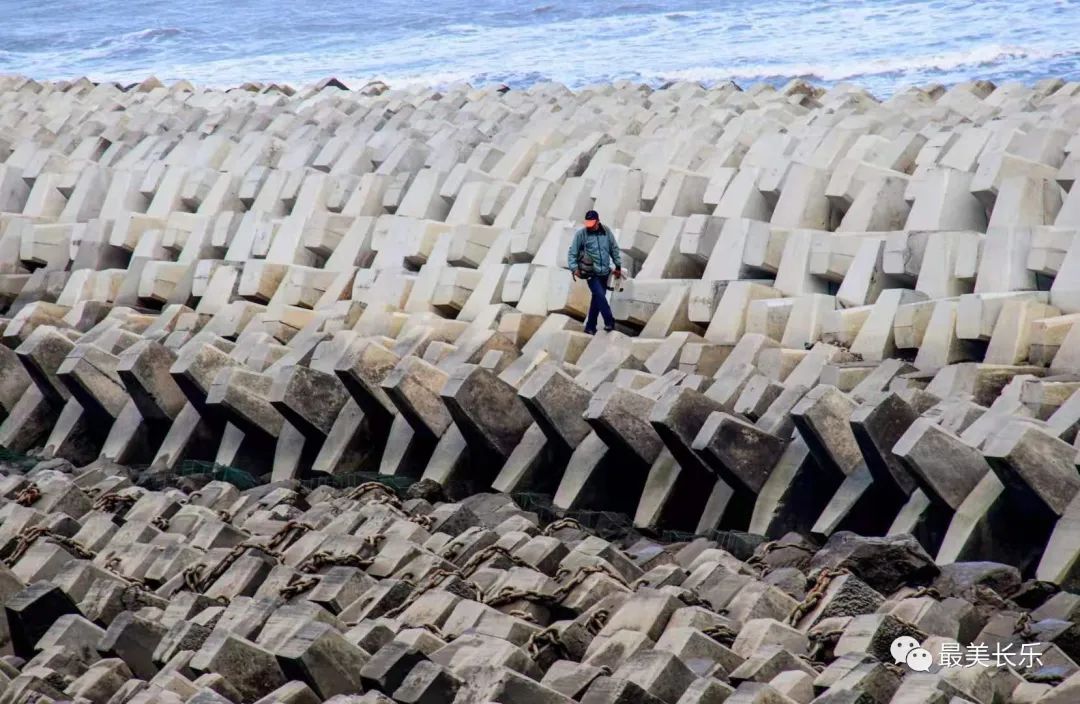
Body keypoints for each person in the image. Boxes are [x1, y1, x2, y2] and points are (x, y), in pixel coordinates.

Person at [567, 209, 622, 334]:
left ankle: (590, 327)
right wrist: (574, 268)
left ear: (598, 221)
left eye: (592, 224)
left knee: (597, 299)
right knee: (601, 297)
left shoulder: (607, 232)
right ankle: (610, 321)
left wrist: (618, 266)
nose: (589, 227)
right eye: (588, 224)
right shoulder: (581, 234)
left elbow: (614, 249)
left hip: (605, 272)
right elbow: (572, 252)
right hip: (591, 273)